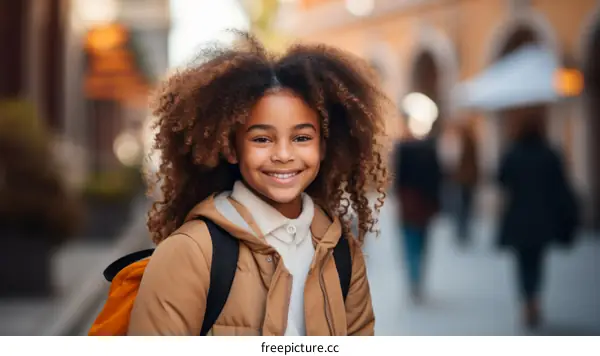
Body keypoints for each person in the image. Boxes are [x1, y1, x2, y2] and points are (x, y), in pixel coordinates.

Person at [92, 31, 391, 336]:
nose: (284, 155)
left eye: (302, 138)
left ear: (323, 148)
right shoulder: (189, 253)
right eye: (262, 139)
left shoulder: (341, 252)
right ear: (233, 148)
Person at [497, 109, 579, 329]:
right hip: (543, 217)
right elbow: (560, 184)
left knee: (522, 262)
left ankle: (527, 300)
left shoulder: (512, 152)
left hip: (519, 217)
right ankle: (534, 300)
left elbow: (501, 179)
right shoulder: (550, 153)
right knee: (538, 261)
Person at [393, 126, 442, 302]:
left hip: (408, 204)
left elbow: (398, 181)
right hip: (424, 205)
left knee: (409, 244)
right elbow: (437, 179)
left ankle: (413, 280)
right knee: (422, 243)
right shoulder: (430, 152)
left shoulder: (403, 152)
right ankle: (418, 279)